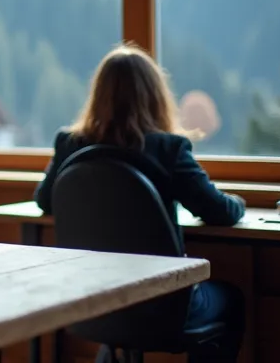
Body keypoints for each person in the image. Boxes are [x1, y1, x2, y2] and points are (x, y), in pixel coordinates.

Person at [34, 44, 246, 361]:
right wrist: (241, 202)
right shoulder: (169, 149)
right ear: (155, 96)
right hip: (162, 306)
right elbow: (219, 212)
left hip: (91, 302)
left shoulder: (70, 144)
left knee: (119, 323)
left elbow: (44, 201)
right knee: (233, 299)